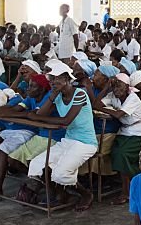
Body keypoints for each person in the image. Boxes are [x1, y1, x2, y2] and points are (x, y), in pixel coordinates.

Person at [19, 60, 99, 212]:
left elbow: (66, 120)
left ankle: (85, 194)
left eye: (57, 78)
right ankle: (62, 194)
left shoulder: (80, 93)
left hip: (85, 143)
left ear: (67, 79)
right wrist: (52, 95)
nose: (53, 82)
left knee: (61, 173)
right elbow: (41, 113)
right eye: (52, 79)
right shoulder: (57, 96)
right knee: (36, 164)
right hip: (68, 140)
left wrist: (39, 117)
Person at [100, 72, 141, 205]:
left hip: (139, 132)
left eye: (120, 87)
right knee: (115, 152)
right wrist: (106, 88)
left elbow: (118, 114)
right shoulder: (113, 95)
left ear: (127, 87)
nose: (116, 90)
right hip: (125, 131)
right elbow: (95, 104)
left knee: (123, 153)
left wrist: (106, 110)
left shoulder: (132, 98)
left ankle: (127, 191)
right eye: (114, 87)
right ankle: (132, 186)